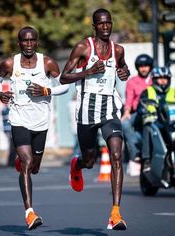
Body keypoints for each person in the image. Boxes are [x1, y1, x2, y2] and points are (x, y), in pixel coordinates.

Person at [0, 26, 68, 230]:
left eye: (32, 40)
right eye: (24, 41)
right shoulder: (10, 63)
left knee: (34, 167)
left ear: (36, 41)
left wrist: (46, 89)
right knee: (26, 161)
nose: (28, 44)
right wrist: (0, 94)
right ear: (19, 43)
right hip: (18, 119)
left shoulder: (47, 62)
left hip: (41, 121)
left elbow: (65, 85)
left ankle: (25, 164)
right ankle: (30, 212)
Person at [60, 8, 130, 230]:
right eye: (101, 24)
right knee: (90, 161)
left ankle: (115, 213)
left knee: (117, 156)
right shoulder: (83, 47)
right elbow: (63, 78)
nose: (106, 27)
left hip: (110, 108)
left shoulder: (118, 50)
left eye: (108, 23)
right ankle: (78, 164)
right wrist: (87, 71)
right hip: (87, 110)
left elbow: (122, 68)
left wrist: (124, 72)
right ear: (94, 26)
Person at [136, 66, 174, 188]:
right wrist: (147, 112)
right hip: (156, 123)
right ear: (154, 79)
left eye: (165, 79)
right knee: (149, 127)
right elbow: (141, 106)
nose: (163, 81)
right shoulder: (148, 91)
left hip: (172, 124)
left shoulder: (173, 92)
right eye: (160, 79)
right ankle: (147, 159)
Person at [121, 54, 153, 164]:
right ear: (137, 67)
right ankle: (136, 151)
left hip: (154, 113)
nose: (143, 68)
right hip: (138, 113)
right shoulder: (132, 81)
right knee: (124, 123)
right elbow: (129, 99)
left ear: (150, 67)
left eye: (146, 66)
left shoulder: (155, 80)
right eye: (141, 66)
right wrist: (126, 112)